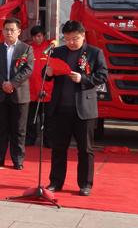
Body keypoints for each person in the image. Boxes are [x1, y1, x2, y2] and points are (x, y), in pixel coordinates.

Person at [45, 20, 108, 197]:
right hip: (61, 108)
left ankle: (85, 184)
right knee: (58, 148)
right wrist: (48, 73)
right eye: (67, 39)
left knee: (85, 149)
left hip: (84, 109)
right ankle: (55, 182)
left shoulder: (95, 52)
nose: (71, 42)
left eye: (75, 39)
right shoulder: (58, 52)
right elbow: (46, 73)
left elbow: (102, 76)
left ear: (83, 36)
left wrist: (83, 79)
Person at [0, 17, 33, 170]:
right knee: (0, 129)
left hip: (19, 95)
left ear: (19, 32)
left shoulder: (26, 49)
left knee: (19, 130)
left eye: (12, 30)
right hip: (1, 94)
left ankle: (18, 160)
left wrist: (12, 84)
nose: (9, 32)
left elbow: (28, 69)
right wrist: (3, 83)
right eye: (6, 29)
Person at [26, 25, 54, 147]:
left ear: (43, 36)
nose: (37, 38)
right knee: (30, 118)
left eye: (39, 36)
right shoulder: (28, 49)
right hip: (31, 91)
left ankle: (48, 141)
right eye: (35, 36)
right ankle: (30, 139)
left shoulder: (50, 48)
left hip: (47, 91)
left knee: (48, 119)